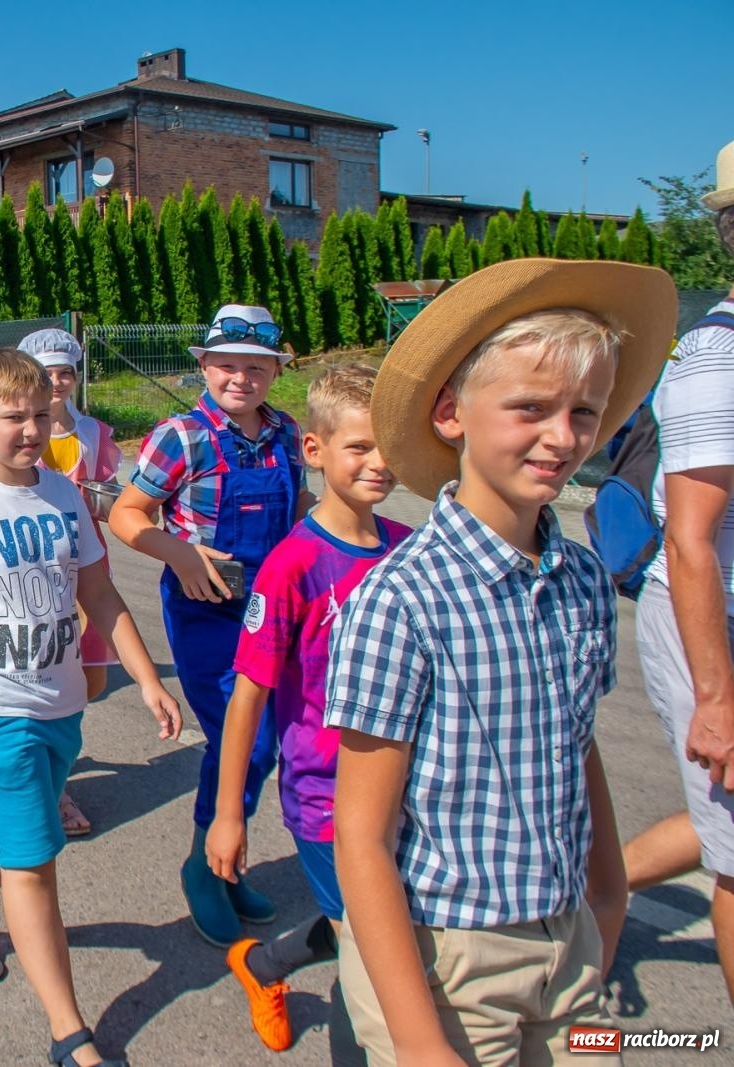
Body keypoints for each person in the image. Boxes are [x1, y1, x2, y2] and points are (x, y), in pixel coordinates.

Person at [325, 259, 675, 1065]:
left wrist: (610, 898)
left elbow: (576, 746)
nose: (563, 437)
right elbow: (363, 835)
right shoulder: (401, 600)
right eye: (531, 408)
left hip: (571, 941)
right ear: (452, 413)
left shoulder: (584, 577)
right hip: (450, 960)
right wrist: (421, 1041)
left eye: (584, 412)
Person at [0, 349, 182, 1067]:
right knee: (35, 865)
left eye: (40, 414)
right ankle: (69, 1030)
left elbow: (100, 595)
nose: (30, 428)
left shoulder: (63, 495)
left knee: (16, 831)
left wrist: (147, 677)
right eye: (12, 417)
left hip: (61, 707)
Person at [203, 364, 405, 1055]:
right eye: (360, 447)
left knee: (386, 928)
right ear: (314, 451)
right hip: (327, 798)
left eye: (390, 447)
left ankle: (265, 965)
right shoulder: (292, 564)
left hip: (407, 791)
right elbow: (248, 695)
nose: (379, 463)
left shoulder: (410, 550)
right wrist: (230, 814)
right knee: (377, 960)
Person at [109, 304, 312, 946]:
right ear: (204, 365)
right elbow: (128, 513)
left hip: (275, 610)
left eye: (256, 368)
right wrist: (177, 552)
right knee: (240, 740)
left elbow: (302, 509)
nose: (241, 379)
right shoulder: (182, 435)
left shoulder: (286, 434)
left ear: (276, 372)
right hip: (206, 612)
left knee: (270, 740)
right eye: (227, 365)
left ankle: (223, 864)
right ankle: (204, 867)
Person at [622, 153, 734, 1007]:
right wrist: (717, 697)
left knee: (720, 823)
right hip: (710, 625)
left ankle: (594, 888)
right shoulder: (718, 357)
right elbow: (693, 541)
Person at [18, 327, 120, 839]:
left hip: (87, 566)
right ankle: (51, 787)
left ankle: (56, 763)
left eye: (66, 373)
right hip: (34, 566)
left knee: (87, 681)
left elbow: (111, 500)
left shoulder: (95, 434)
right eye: (47, 374)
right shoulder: (16, 430)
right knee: (41, 676)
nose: (57, 382)